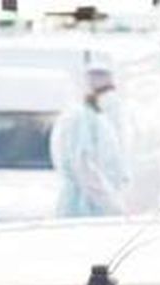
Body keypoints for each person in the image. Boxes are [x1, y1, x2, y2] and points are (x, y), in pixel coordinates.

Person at [49, 67, 131, 218]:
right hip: (84, 208)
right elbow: (84, 167)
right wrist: (110, 203)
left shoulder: (98, 118)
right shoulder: (81, 119)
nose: (111, 95)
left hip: (96, 204)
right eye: (106, 90)